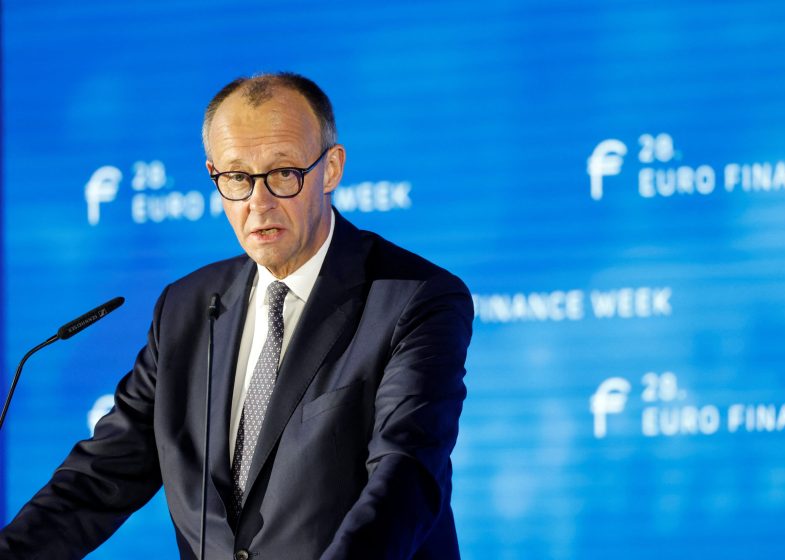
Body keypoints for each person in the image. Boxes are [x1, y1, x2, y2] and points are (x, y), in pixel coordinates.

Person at [0, 72, 472, 559]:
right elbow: (97, 481)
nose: (258, 202)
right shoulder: (185, 308)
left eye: (284, 173)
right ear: (214, 175)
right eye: (237, 178)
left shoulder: (414, 299)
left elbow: (405, 478)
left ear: (331, 168)